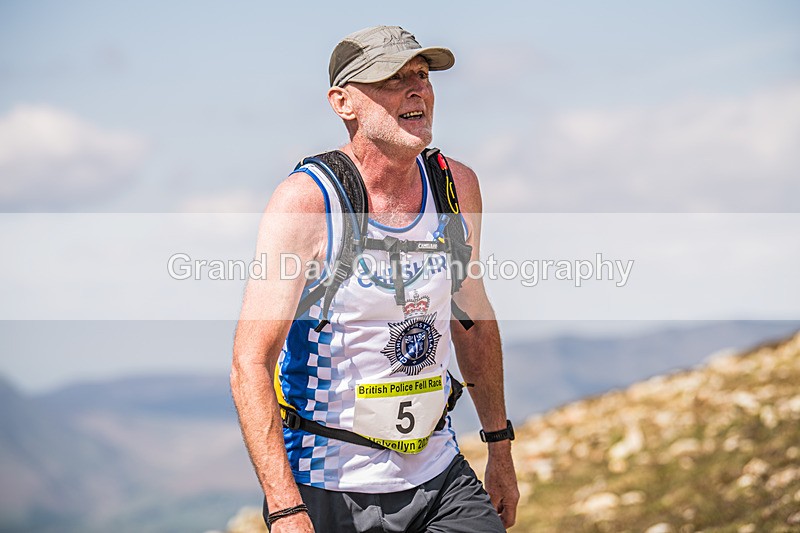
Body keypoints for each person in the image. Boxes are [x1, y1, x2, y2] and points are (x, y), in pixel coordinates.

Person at [231, 25, 519, 532]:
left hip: (439, 477)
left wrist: (499, 445)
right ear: (343, 102)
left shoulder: (455, 185)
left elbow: (470, 317)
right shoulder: (306, 201)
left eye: (422, 75)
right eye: (391, 78)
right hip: (330, 487)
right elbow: (251, 361)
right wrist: (284, 507)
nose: (416, 89)